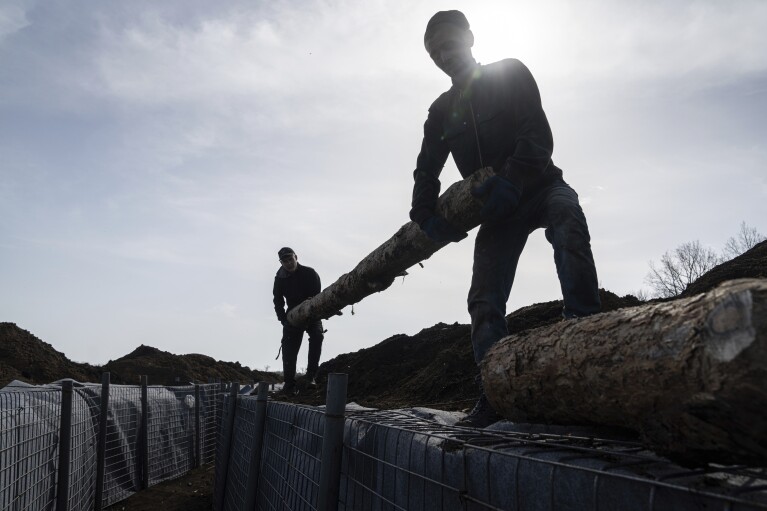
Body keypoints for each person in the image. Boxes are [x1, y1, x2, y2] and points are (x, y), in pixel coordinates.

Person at [410, 11, 601, 427]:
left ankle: (587, 339)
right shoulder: (441, 111)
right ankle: (492, 392)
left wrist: (511, 179)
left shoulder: (511, 73)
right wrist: (424, 214)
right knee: (484, 297)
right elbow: (427, 168)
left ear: (471, 38)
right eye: (434, 52)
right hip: (496, 212)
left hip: (541, 186)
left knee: (567, 219)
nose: (444, 54)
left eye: (450, 44)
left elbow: (538, 136)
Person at [272, 247, 324, 394]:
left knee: (317, 336)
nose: (288, 263)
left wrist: (311, 308)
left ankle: (311, 376)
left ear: (296, 257)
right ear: (281, 263)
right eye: (284, 261)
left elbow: (317, 296)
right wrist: (282, 319)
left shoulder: (310, 273)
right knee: (289, 347)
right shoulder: (280, 278)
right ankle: (289, 384)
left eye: (290, 259)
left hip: (312, 312)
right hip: (292, 315)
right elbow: (277, 301)